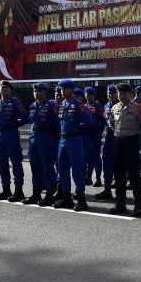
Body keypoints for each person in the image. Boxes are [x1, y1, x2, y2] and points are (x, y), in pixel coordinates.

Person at [107, 83, 141, 216]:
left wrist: (137, 136)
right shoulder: (115, 108)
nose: (121, 95)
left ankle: (138, 205)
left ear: (130, 94)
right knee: (118, 175)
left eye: (124, 93)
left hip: (131, 143)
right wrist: (117, 135)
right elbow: (112, 123)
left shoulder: (137, 107)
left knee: (134, 175)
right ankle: (120, 203)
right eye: (119, 93)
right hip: (118, 143)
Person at [53, 79, 89, 211]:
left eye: (65, 88)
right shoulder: (61, 105)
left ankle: (81, 200)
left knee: (77, 171)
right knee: (62, 171)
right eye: (61, 88)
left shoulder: (78, 105)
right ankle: (66, 198)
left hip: (74, 141)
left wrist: (78, 131)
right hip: (62, 141)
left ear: (72, 90)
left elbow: (88, 122)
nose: (62, 90)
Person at [0, 81, 31, 202]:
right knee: (1, 163)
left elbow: (25, 118)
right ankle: (6, 189)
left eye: (6, 88)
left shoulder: (15, 103)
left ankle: (18, 191)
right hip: (0, 135)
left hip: (11, 135)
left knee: (16, 162)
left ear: (10, 90)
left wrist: (14, 124)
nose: (4, 89)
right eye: (2, 87)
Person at [25, 83, 58, 205]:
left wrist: (54, 142)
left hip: (46, 138)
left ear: (44, 92)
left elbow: (56, 125)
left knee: (48, 166)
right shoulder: (32, 106)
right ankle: (36, 193)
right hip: (34, 138)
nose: (36, 93)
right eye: (35, 91)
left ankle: (49, 194)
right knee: (35, 166)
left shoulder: (51, 106)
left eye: (39, 91)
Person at [95, 85, 119, 200]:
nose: (110, 95)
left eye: (113, 93)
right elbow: (101, 122)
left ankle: (120, 193)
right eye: (109, 93)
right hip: (109, 138)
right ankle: (107, 189)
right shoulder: (105, 106)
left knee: (119, 165)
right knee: (107, 164)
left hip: (119, 138)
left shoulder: (121, 105)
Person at [83, 87, 104, 187]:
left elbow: (102, 121)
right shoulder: (83, 106)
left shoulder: (98, 106)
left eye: (90, 94)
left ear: (93, 95)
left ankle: (98, 178)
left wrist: (99, 132)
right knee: (88, 157)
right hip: (87, 135)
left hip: (95, 135)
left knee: (96, 156)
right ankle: (88, 177)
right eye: (87, 94)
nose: (88, 96)